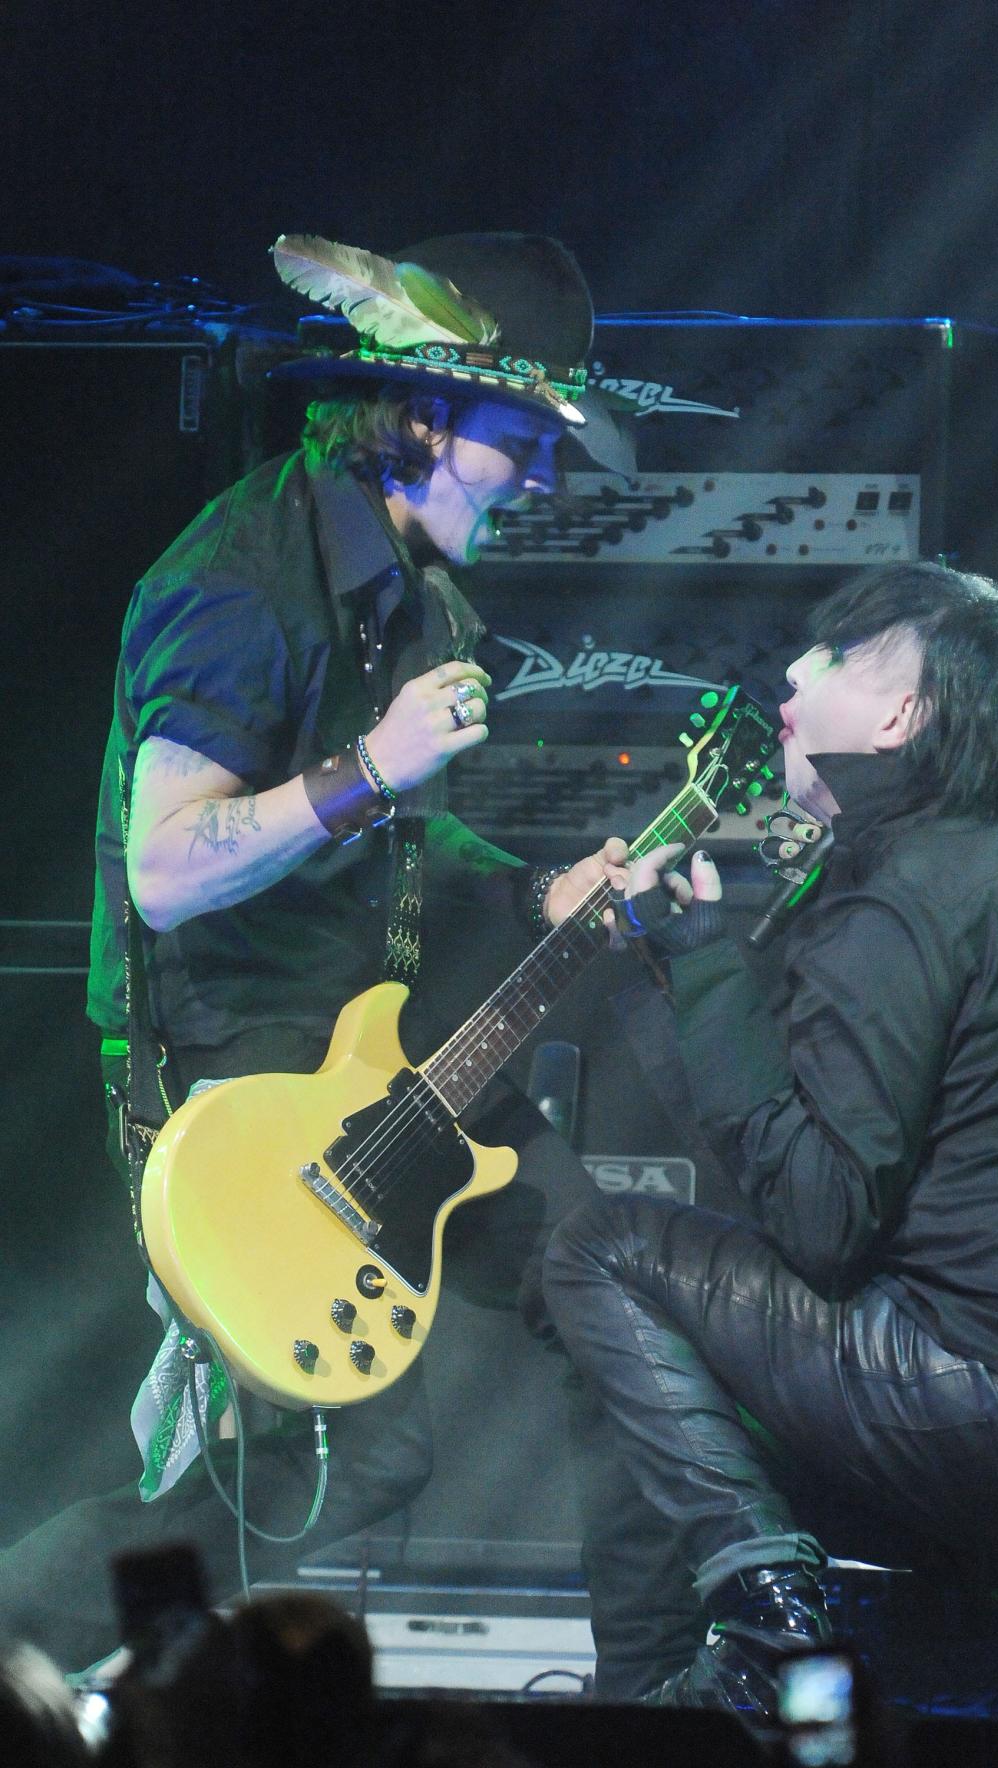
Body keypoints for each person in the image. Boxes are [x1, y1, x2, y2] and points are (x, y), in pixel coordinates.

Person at [0, 228, 631, 1669]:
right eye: (517, 439)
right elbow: (166, 869)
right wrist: (367, 767)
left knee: (614, 1287)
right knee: (334, 1467)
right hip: (231, 1075)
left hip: (372, 1057)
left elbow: (398, 839)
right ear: (418, 416)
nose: (537, 478)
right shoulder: (241, 574)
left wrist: (539, 891)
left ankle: (667, 1680)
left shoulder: (425, 599)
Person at [540, 560, 998, 1723]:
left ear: (900, 714)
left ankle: (768, 1637)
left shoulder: (903, 892)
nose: (790, 679)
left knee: (598, 1250)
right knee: (803, 1351)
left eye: (828, 654)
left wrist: (705, 954)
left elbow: (816, 1218)